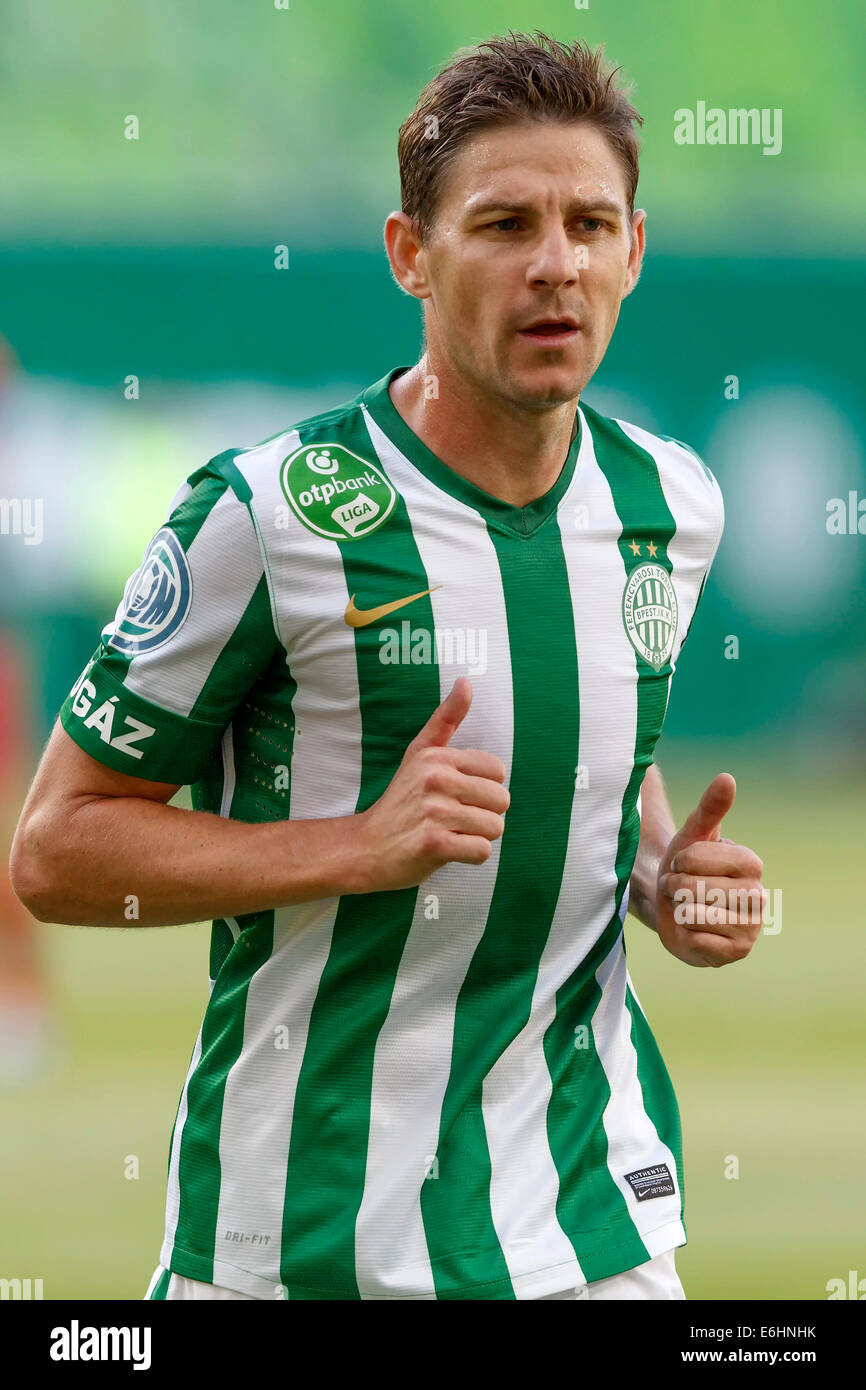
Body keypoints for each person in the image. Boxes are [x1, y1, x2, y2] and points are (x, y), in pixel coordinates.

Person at [10, 32, 766, 1301]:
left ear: (634, 248)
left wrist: (657, 875)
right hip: (301, 1237)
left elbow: (586, 755)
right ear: (410, 255)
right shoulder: (267, 514)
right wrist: (356, 847)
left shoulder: (670, 503)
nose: (553, 266)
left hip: (588, 1229)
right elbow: (56, 847)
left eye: (588, 223)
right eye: (503, 223)